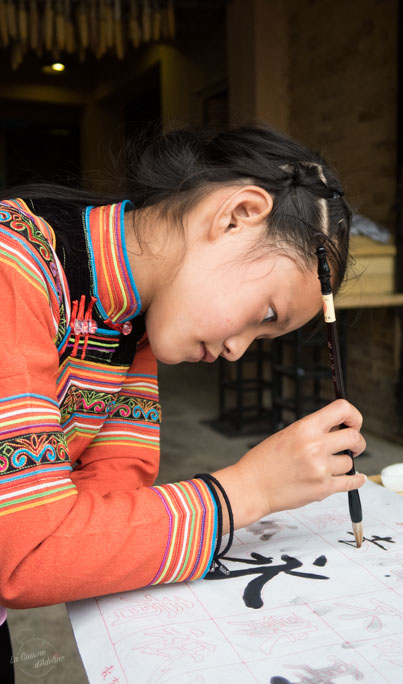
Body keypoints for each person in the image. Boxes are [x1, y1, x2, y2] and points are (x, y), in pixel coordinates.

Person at [0, 126, 366, 612]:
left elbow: (106, 508)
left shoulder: (133, 320)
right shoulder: (15, 269)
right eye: (267, 315)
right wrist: (248, 489)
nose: (238, 351)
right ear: (238, 215)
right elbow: (32, 555)